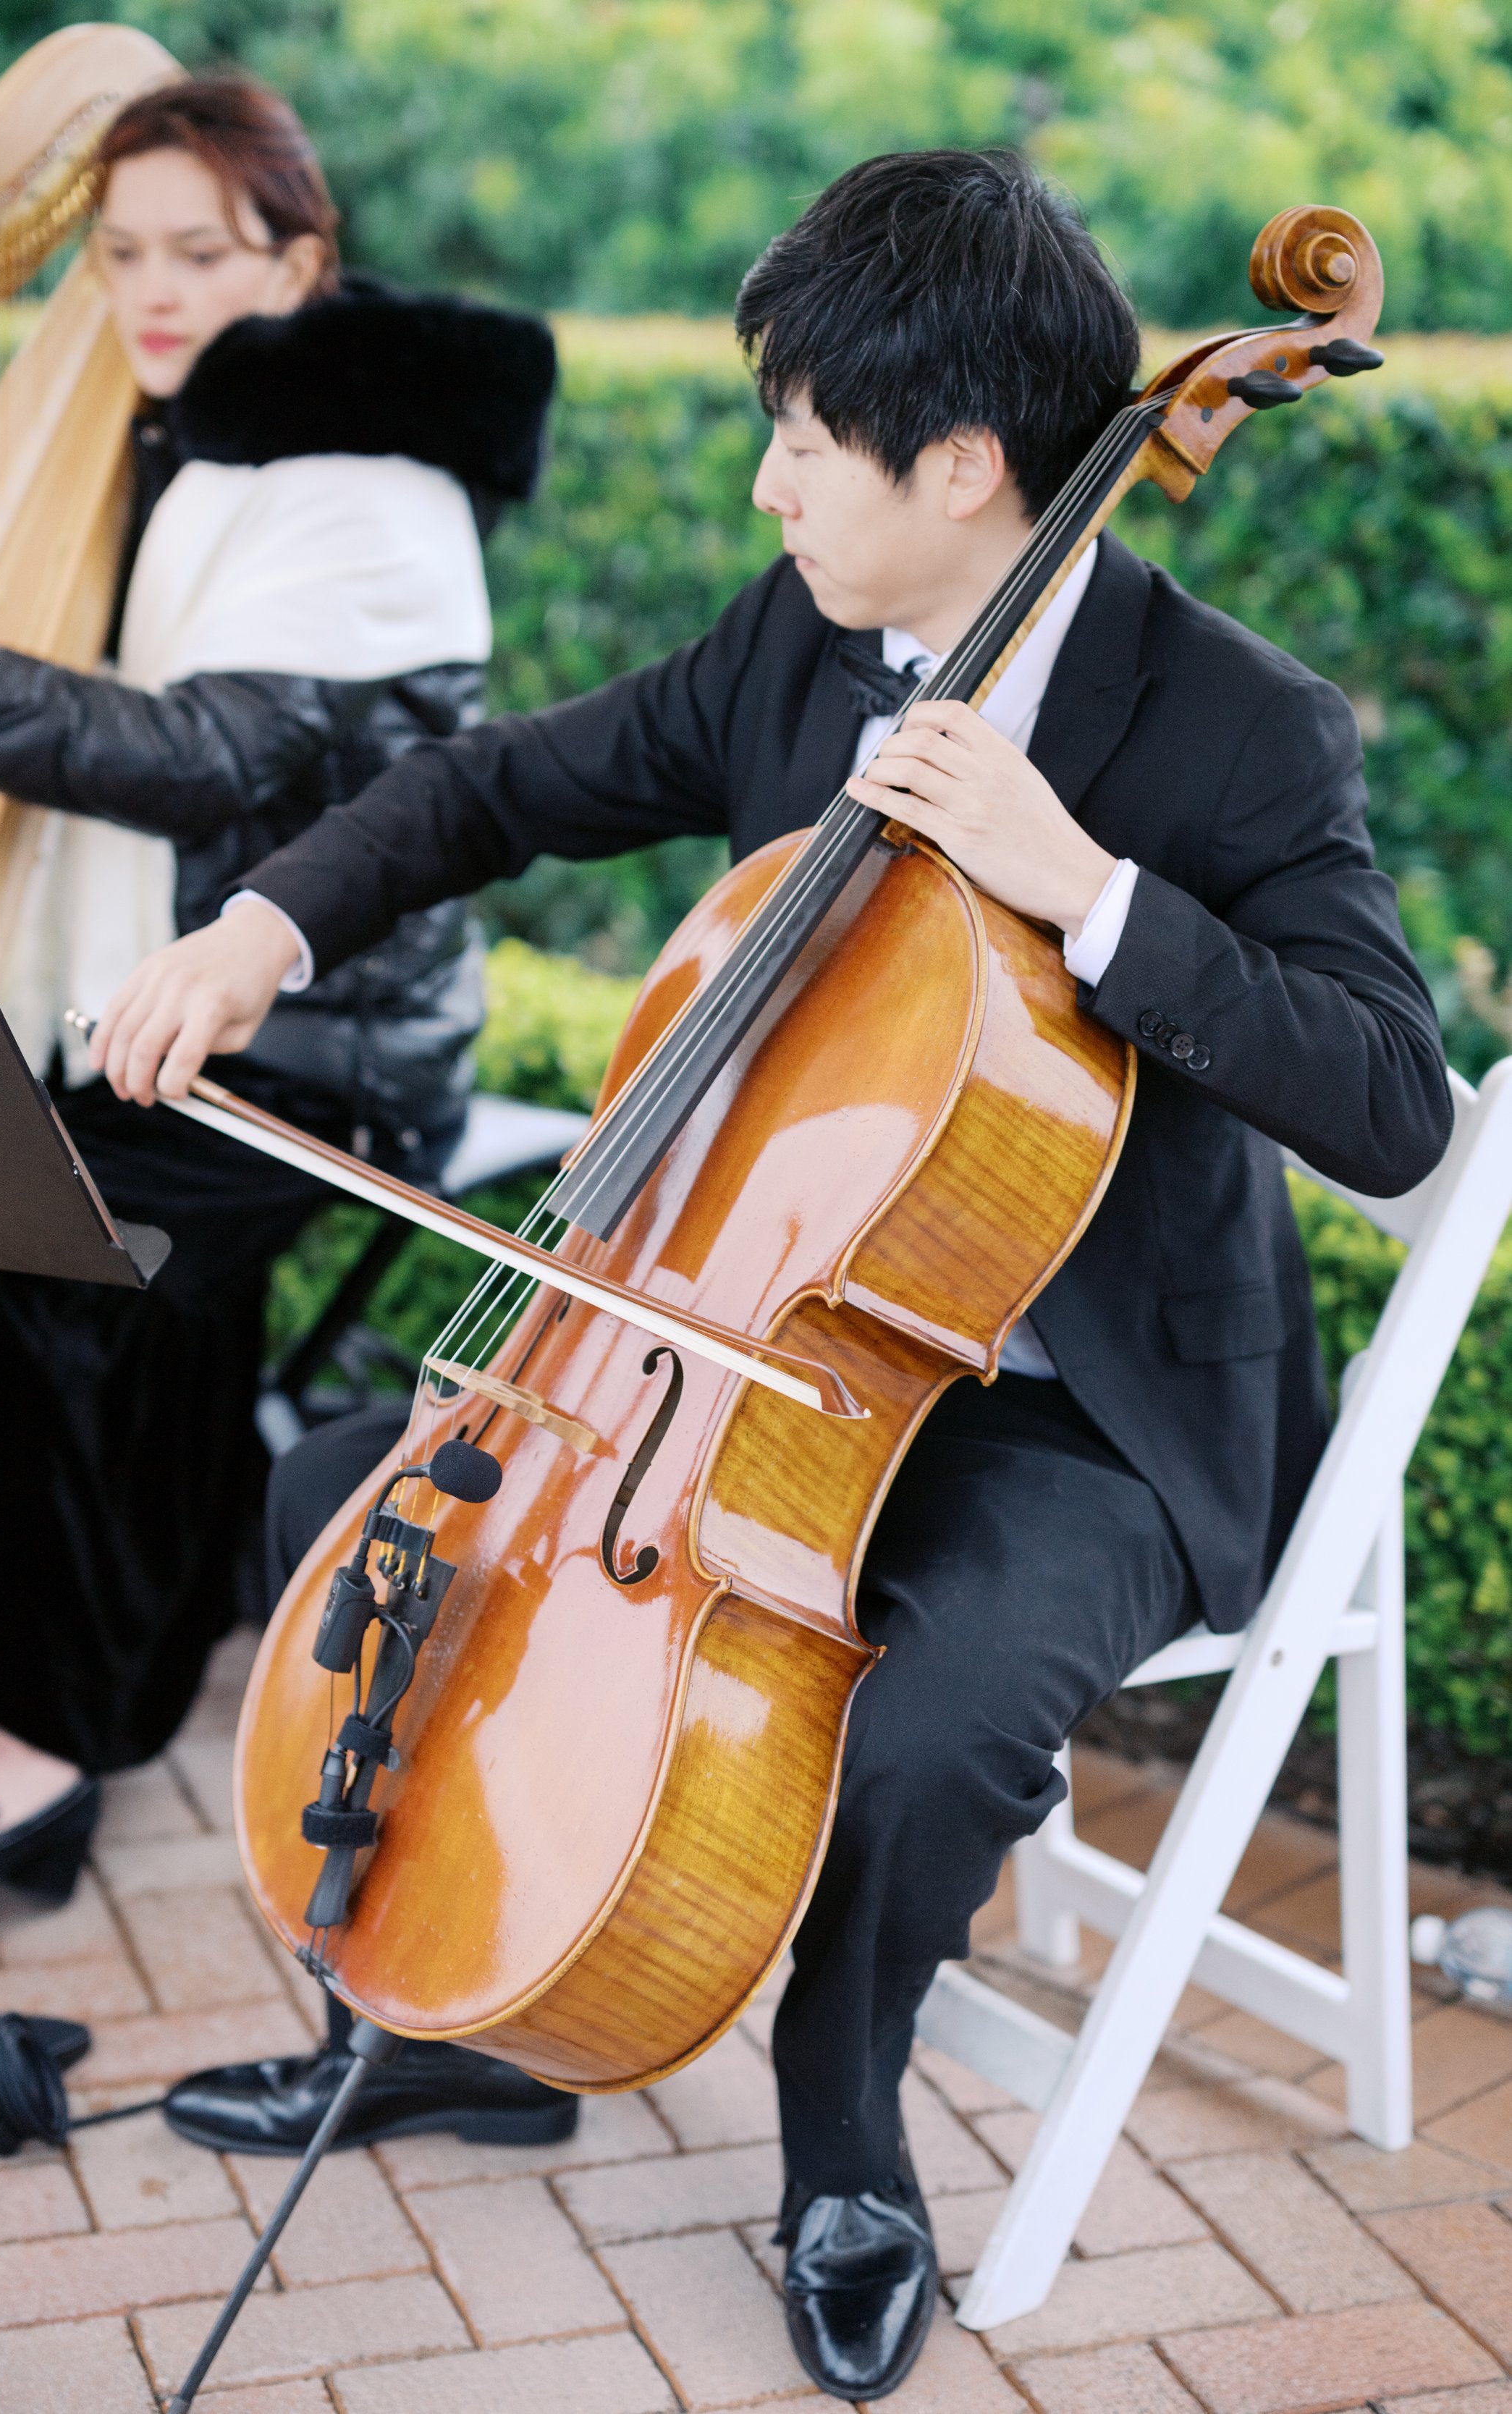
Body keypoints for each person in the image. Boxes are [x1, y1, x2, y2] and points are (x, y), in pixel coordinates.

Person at [88, 149, 1450, 2402]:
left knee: (921, 1727)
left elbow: (1392, 1101)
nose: (761, 487)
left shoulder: (1230, 727)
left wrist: (1092, 896)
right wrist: (261, 924)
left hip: (1076, 1408)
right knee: (360, 1495)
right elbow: (493, 787)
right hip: (754, 1343)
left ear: (960, 465)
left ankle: (842, 2148)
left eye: (799, 442)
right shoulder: (799, 646)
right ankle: (460, 2021)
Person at [0, 75, 556, 1902]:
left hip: (313, 1043)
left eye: (196, 254)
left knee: (57, 1270)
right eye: (115, 257)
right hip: (129, 1010)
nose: (148, 295)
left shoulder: (374, 490)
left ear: (303, 260)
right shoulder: (175, 433)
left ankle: (44, 1758)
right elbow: (60, 656)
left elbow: (205, 752)